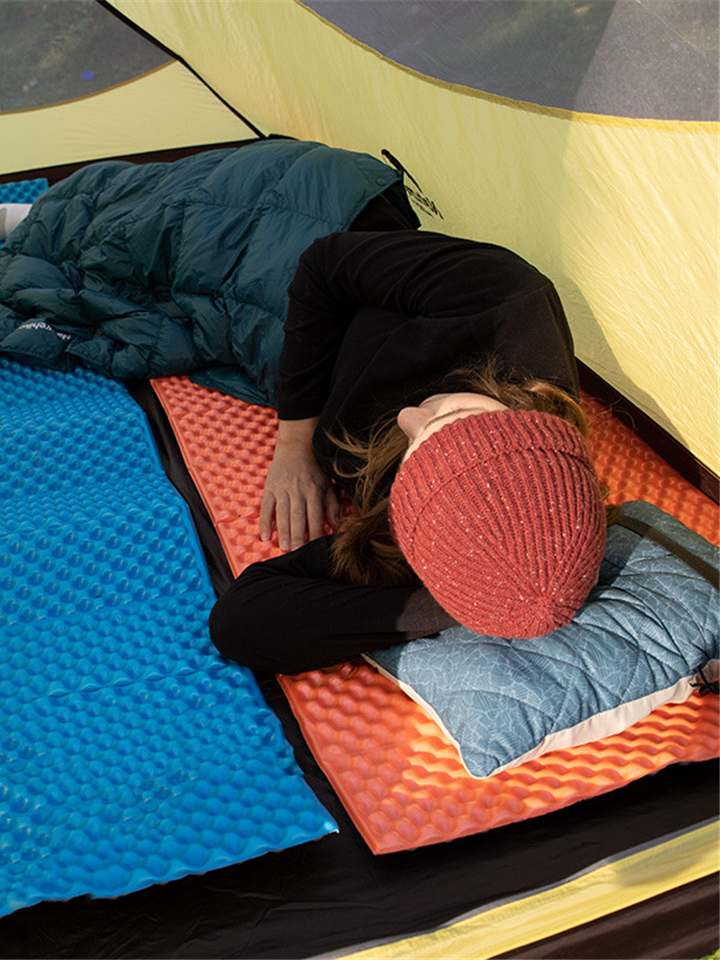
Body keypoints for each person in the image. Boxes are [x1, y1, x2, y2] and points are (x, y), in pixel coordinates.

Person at [208, 229, 607, 674]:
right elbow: (323, 265)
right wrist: (293, 446)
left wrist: (481, 600)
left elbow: (242, 621)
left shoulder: (452, 543)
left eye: (411, 454)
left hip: (263, 358)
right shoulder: (507, 299)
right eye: (452, 415)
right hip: (335, 264)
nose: (408, 418)